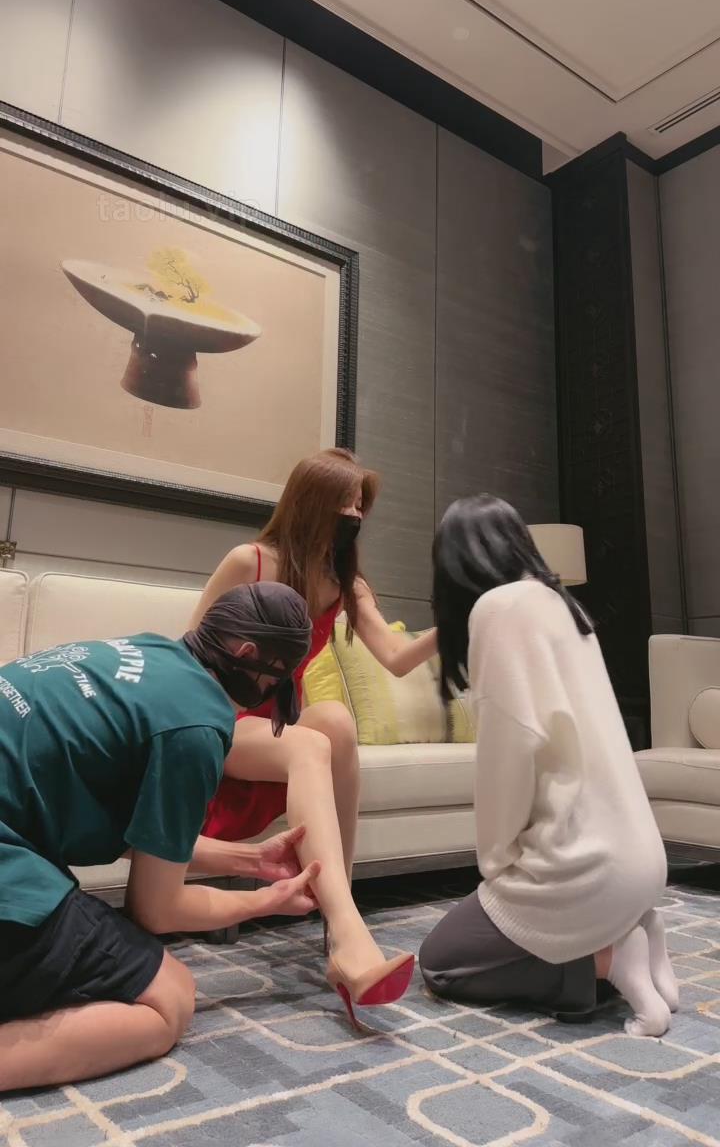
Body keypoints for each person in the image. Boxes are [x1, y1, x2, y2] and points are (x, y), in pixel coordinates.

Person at [0, 581, 413, 1093]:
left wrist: (248, 860)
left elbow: (130, 832)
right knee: (168, 999)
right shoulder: (195, 726)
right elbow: (156, 910)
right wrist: (264, 903)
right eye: (275, 685)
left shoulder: (144, 653)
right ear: (248, 657)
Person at [419, 495, 678, 1038]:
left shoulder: (499, 610)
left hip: (584, 868)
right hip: (643, 860)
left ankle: (608, 959)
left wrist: (497, 862)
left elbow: (509, 753)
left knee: (442, 961)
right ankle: (636, 927)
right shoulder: (564, 606)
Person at [192, 448, 437, 886]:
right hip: (225, 720)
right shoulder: (251, 561)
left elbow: (396, 658)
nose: (354, 515)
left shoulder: (345, 584)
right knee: (308, 742)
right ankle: (331, 893)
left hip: (281, 723)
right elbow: (190, 651)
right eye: (345, 503)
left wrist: (457, 622)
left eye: (360, 506)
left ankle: (338, 888)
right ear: (312, 502)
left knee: (337, 720)